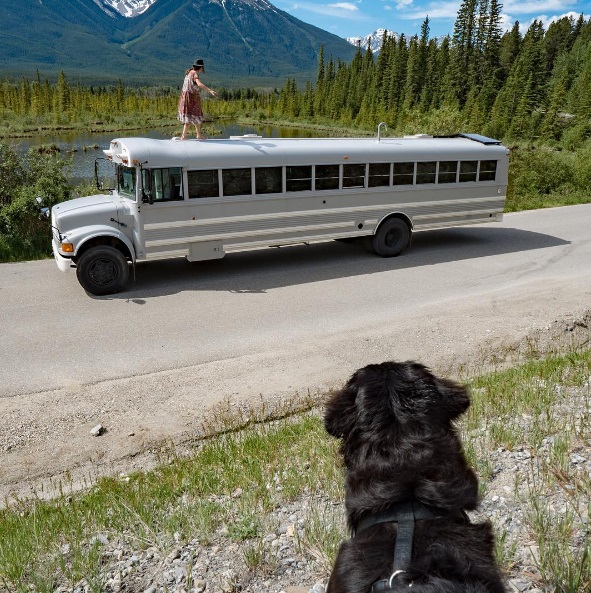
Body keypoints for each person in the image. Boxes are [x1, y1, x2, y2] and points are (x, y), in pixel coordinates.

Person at [177, 59, 217, 140]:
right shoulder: (194, 73)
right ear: (201, 67)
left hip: (186, 97)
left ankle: (198, 135)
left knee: (195, 115)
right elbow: (199, 84)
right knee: (191, 115)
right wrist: (210, 90)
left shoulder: (189, 72)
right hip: (191, 98)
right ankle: (184, 136)